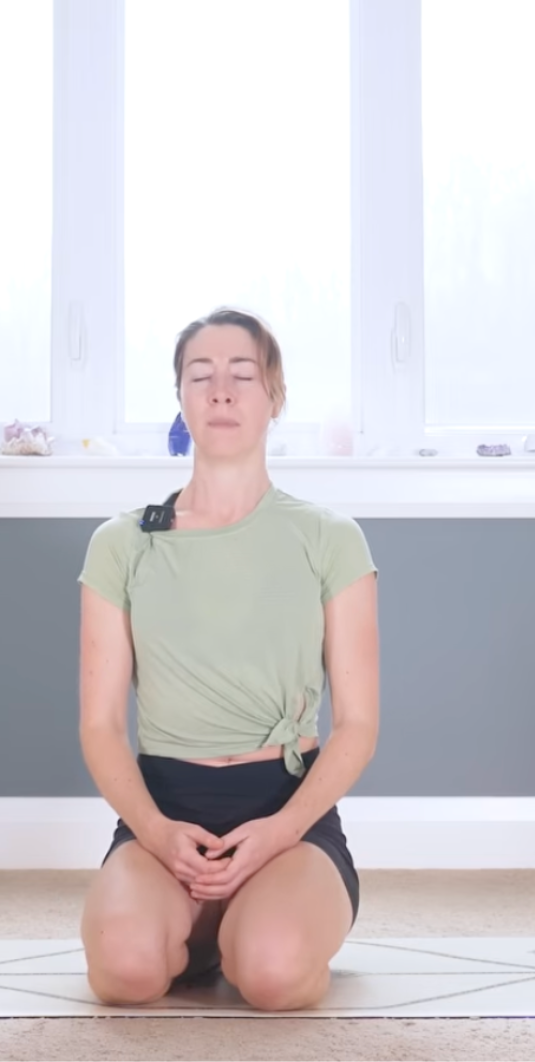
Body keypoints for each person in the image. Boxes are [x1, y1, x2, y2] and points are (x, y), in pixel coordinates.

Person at [75, 307, 380, 1012]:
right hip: (166, 815)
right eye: (200, 375)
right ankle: (198, 930)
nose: (220, 391)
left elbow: (359, 725)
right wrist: (157, 834)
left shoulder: (331, 539)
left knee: (272, 975)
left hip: (286, 815)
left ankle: (256, 926)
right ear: (180, 397)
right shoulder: (121, 544)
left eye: (242, 374)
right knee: (123, 973)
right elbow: (99, 726)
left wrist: (279, 833)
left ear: (274, 396)